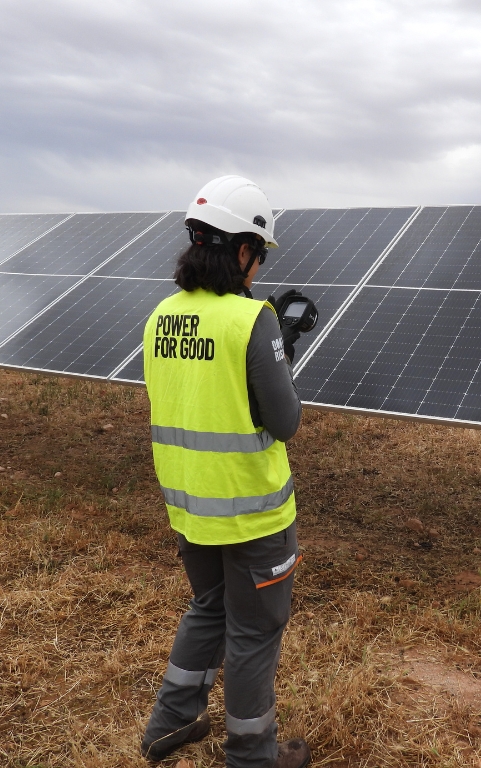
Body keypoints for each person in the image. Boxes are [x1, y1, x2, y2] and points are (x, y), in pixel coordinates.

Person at [139, 175, 311, 768]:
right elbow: (284, 421)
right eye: (259, 256)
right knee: (254, 633)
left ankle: (170, 724)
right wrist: (278, 353)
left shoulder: (161, 316)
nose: (258, 269)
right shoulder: (251, 320)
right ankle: (252, 757)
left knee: (209, 607)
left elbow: (200, 396)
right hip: (254, 516)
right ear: (242, 251)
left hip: (190, 508)